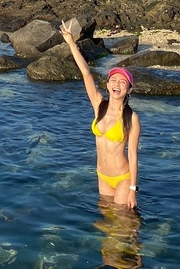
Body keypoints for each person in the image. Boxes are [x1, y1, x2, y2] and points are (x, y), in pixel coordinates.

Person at [60, 20, 141, 210]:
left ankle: (136, 239)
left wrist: (132, 189)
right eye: (113, 80)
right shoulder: (99, 106)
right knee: (106, 224)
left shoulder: (131, 118)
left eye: (123, 82)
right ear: (107, 85)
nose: (117, 84)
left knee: (123, 223)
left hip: (123, 177)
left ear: (129, 89)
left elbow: (134, 156)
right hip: (102, 176)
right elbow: (86, 74)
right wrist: (71, 42)